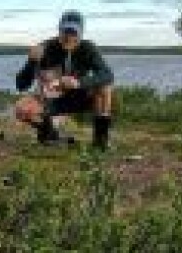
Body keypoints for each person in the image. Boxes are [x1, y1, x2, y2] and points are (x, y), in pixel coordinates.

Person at [15, 10, 114, 150]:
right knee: (21, 108)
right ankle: (49, 135)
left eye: (74, 33)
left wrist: (78, 82)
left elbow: (107, 74)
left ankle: (100, 141)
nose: (69, 37)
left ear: (81, 34)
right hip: (51, 100)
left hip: (80, 97)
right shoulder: (44, 48)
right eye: (65, 32)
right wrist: (31, 62)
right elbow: (21, 85)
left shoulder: (88, 48)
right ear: (59, 30)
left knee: (105, 88)